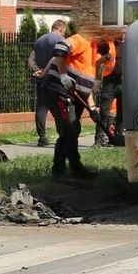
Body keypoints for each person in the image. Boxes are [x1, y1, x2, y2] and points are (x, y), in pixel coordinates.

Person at [35, 31, 99, 179]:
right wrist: (63, 75)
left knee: (74, 130)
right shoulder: (82, 39)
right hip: (58, 90)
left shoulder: (95, 50)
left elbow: (84, 83)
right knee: (68, 130)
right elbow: (60, 49)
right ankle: (58, 170)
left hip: (72, 94)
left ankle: (76, 167)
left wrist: (93, 108)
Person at [28, 19, 67, 147]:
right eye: (64, 32)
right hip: (54, 79)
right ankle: (62, 135)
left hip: (41, 79)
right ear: (61, 29)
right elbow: (57, 58)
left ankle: (42, 137)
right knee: (58, 108)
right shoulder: (59, 40)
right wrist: (46, 71)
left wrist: (37, 70)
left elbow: (31, 59)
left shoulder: (39, 40)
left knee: (41, 107)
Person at [92, 36, 120, 147]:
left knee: (119, 113)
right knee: (104, 111)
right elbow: (98, 61)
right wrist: (98, 80)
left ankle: (115, 138)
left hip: (123, 81)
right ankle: (99, 138)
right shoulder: (109, 44)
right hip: (109, 81)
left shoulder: (128, 43)